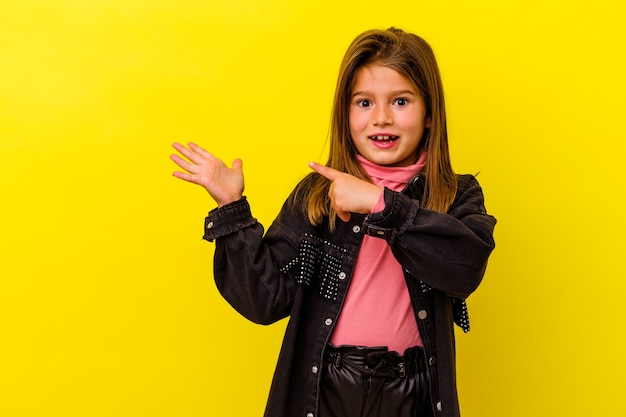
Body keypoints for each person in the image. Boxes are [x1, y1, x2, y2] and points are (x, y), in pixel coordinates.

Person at [170, 27, 496, 417]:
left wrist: (380, 203)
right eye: (363, 103)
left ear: (429, 114)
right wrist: (231, 208)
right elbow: (264, 300)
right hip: (326, 389)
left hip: (415, 392)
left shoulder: (455, 194)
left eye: (401, 101)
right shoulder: (317, 195)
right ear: (345, 112)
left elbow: (464, 269)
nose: (381, 118)